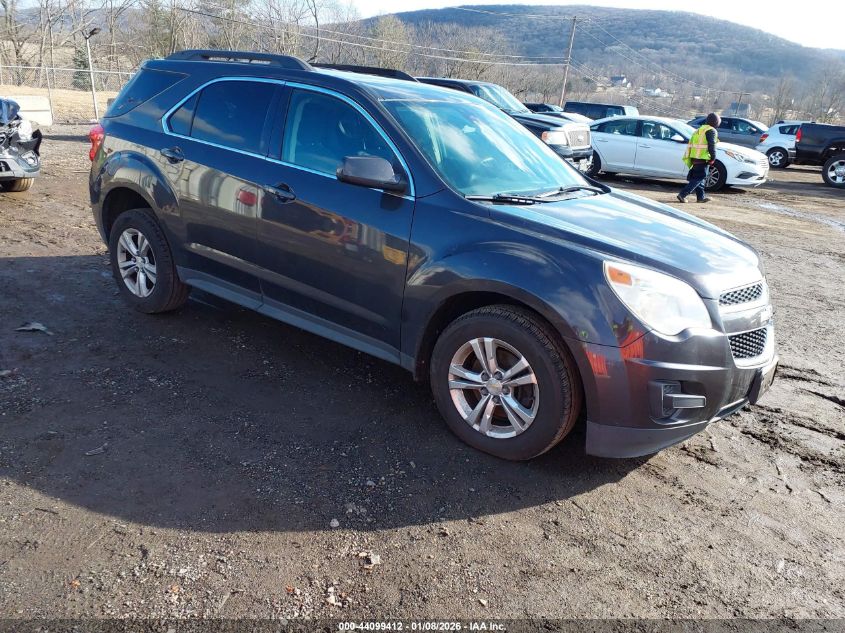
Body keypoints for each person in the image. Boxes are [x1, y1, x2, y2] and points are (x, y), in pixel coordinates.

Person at [678, 112, 720, 203]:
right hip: (702, 158)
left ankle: (700, 198)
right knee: (699, 178)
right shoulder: (711, 130)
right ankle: (682, 194)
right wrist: (713, 158)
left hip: (695, 157)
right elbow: (711, 145)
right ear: (716, 122)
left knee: (699, 178)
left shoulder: (699, 130)